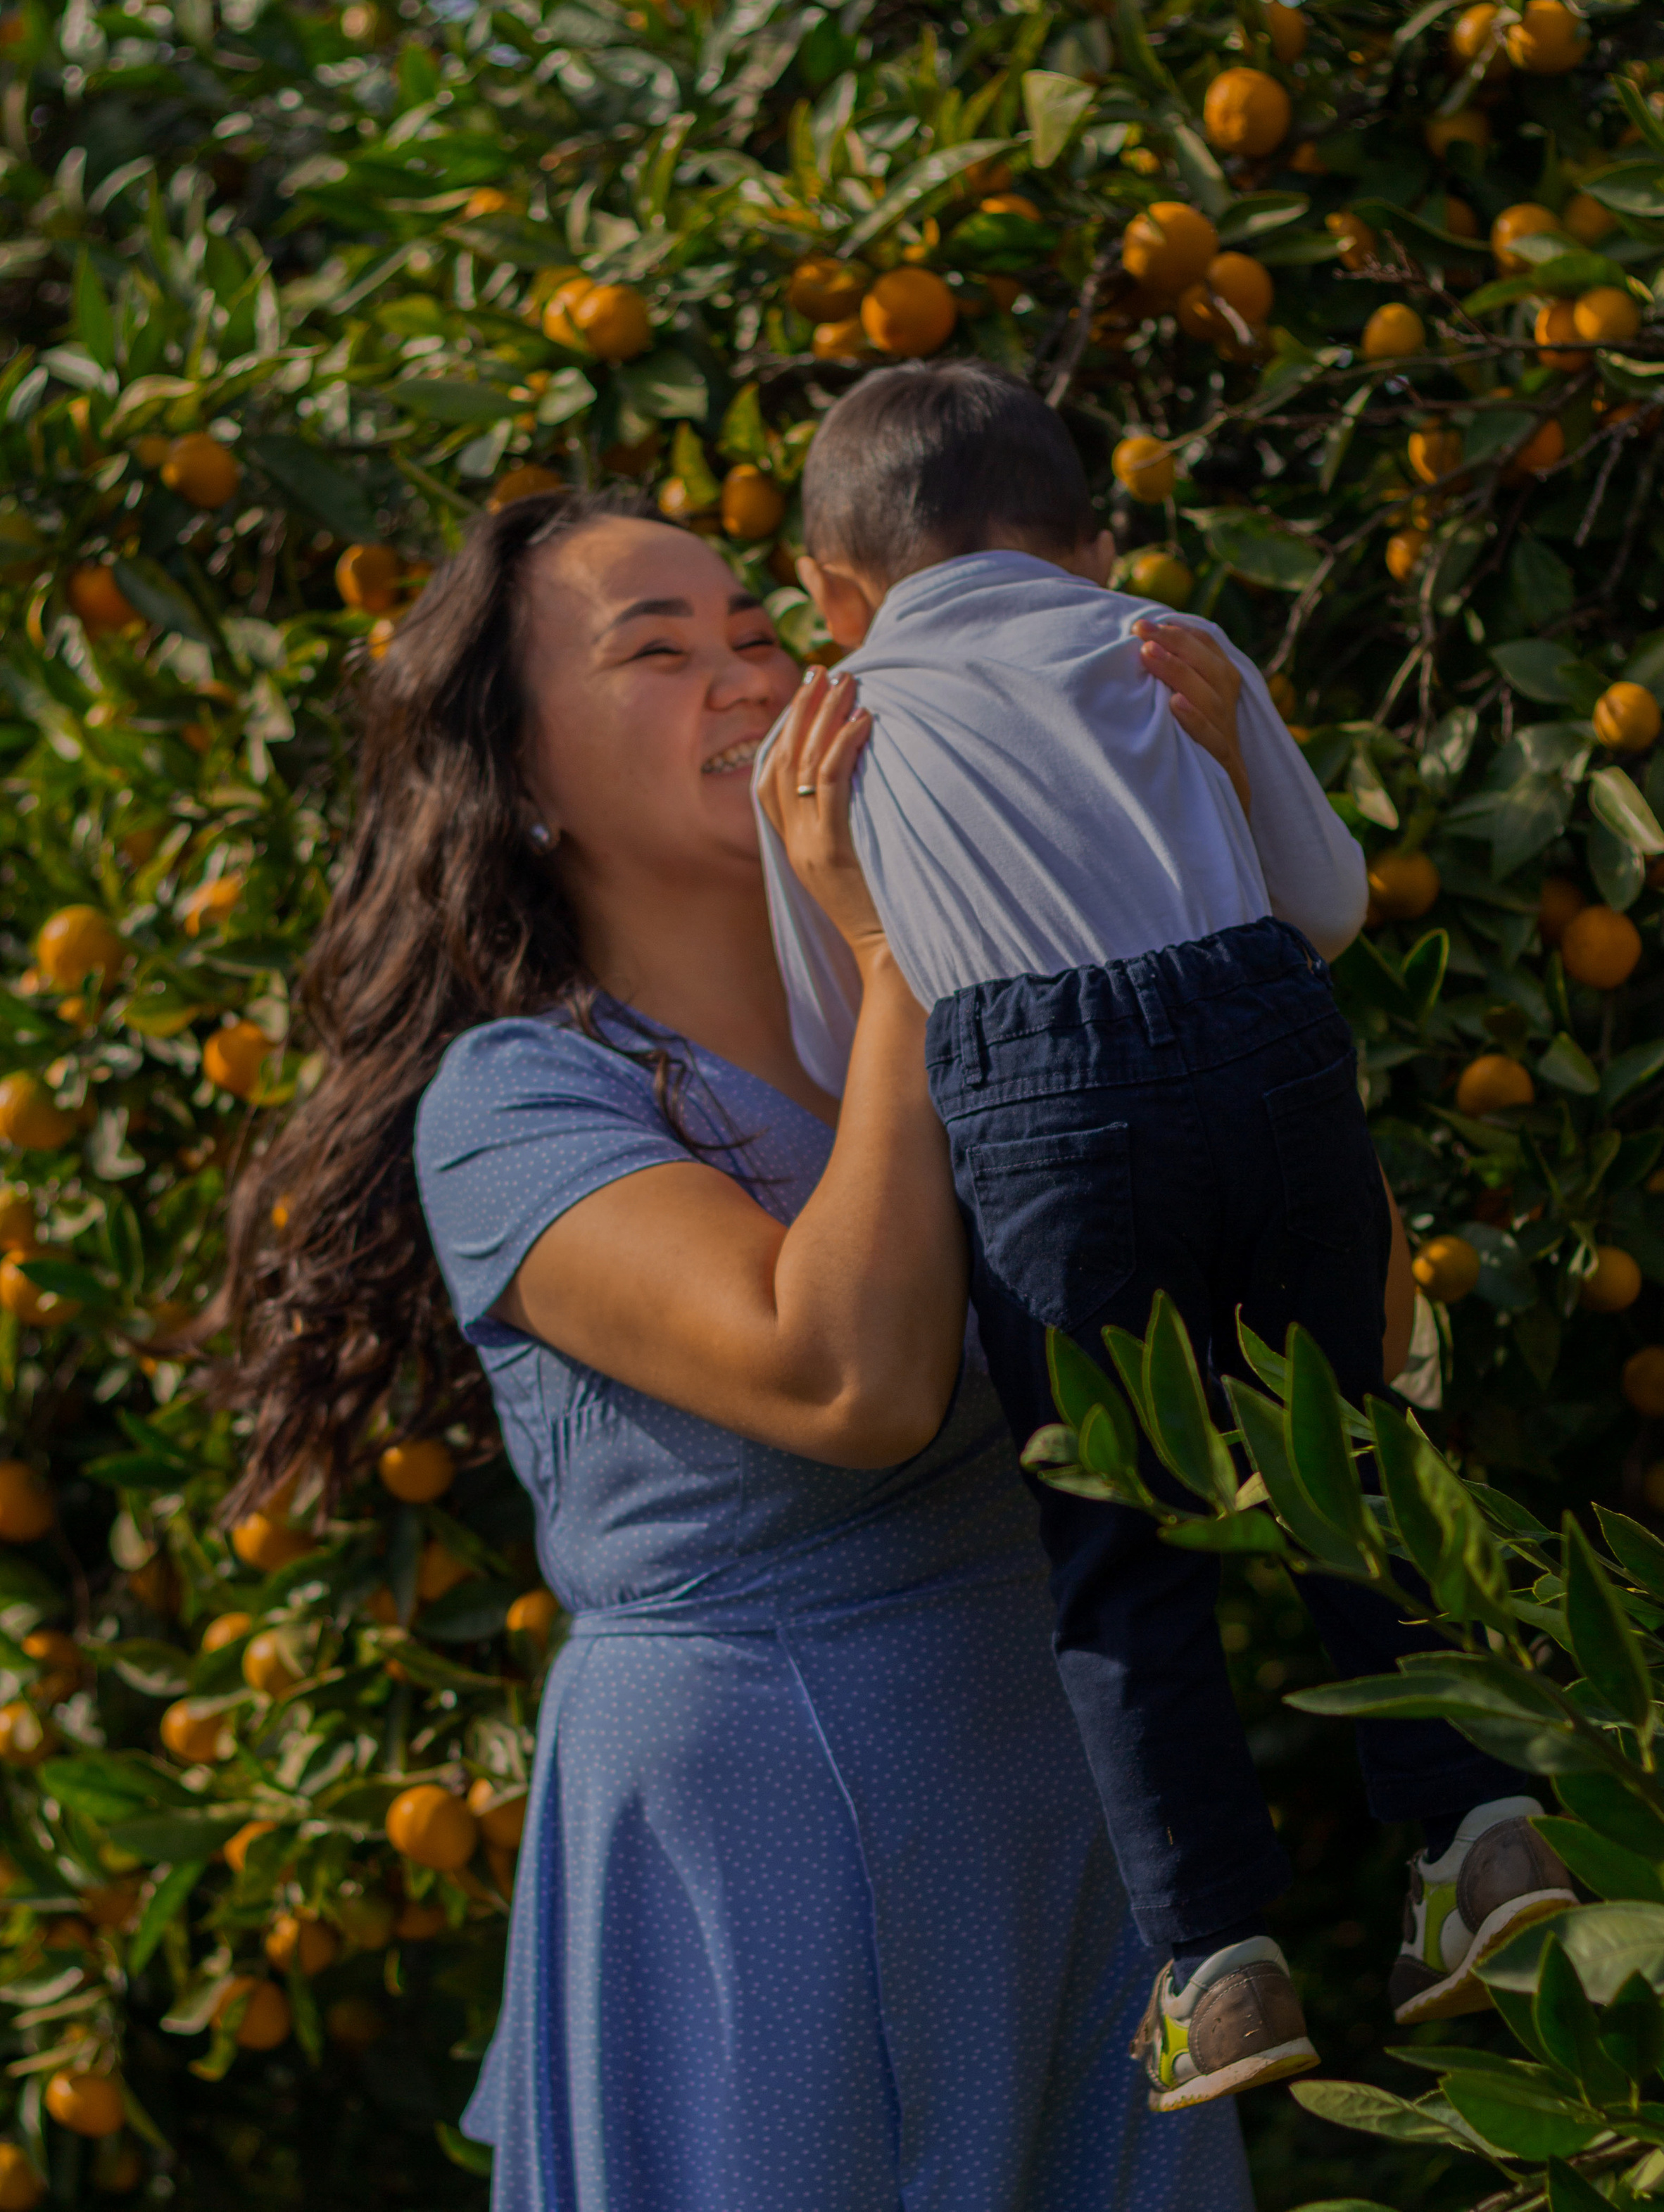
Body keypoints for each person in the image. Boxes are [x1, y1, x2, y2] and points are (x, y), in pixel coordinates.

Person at [206, 485, 1262, 2211]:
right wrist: (909, 942)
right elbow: (842, 1374)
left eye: (761, 633)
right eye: (656, 647)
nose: (743, 674)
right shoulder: (520, 1101)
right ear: (526, 783)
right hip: (756, 1839)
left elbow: (1316, 1336)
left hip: (1066, 1799)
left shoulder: (996, 1004)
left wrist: (1225, 909)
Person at [757, 362, 1574, 2112]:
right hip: (1267, 1047)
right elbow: (1330, 909)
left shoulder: (819, 735)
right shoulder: (1165, 638)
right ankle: (1481, 1834)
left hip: (1037, 1107)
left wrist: (841, 889)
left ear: (831, 591)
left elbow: (843, 1059)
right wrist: (1232, 743)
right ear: (1089, 541)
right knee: (1353, 1453)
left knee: (1119, 1553)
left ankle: (1218, 1964)